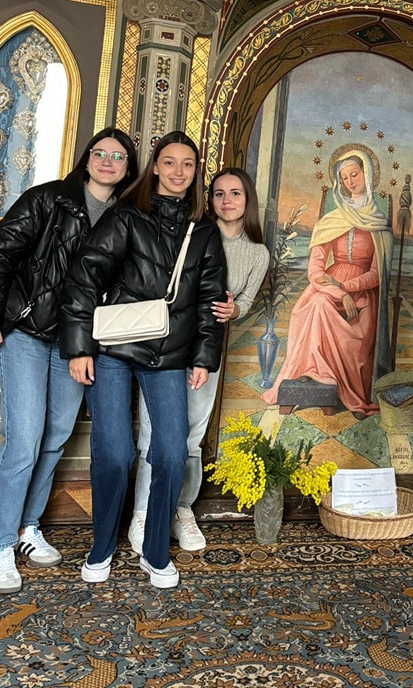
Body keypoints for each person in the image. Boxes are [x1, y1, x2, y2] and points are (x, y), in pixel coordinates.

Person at [60, 131, 226, 589]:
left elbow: (211, 299)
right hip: (113, 349)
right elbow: (85, 276)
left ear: (195, 173)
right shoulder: (128, 216)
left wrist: (203, 358)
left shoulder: (204, 231)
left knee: (172, 453)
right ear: (154, 167)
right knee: (113, 454)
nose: (178, 171)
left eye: (187, 164)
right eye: (169, 162)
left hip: (170, 354)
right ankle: (101, 548)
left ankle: (155, 552)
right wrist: (78, 347)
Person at [0, 127, 138, 594]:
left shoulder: (128, 218)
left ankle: (29, 527)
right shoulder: (46, 199)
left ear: (128, 168)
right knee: (25, 437)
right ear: (86, 158)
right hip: (30, 334)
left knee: (54, 436)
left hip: (78, 344)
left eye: (118, 156)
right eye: (100, 153)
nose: (108, 161)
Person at [128, 167, 269, 554]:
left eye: (235, 193)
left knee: (191, 436)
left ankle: (180, 510)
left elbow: (247, 302)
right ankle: (143, 511)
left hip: (208, 351)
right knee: (154, 433)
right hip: (170, 344)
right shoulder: (191, 233)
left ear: (247, 200)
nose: (226, 201)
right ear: (210, 199)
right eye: (219, 194)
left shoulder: (258, 253)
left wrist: (234, 309)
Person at [262, 145, 393, 418]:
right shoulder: (331, 220)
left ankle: (342, 386)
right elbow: (315, 267)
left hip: (361, 294)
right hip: (327, 286)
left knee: (333, 314)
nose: (349, 182)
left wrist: (347, 289)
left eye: (354, 175)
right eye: (344, 178)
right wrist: (335, 289)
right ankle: (313, 372)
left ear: (366, 175)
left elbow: (376, 274)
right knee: (317, 304)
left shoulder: (379, 223)